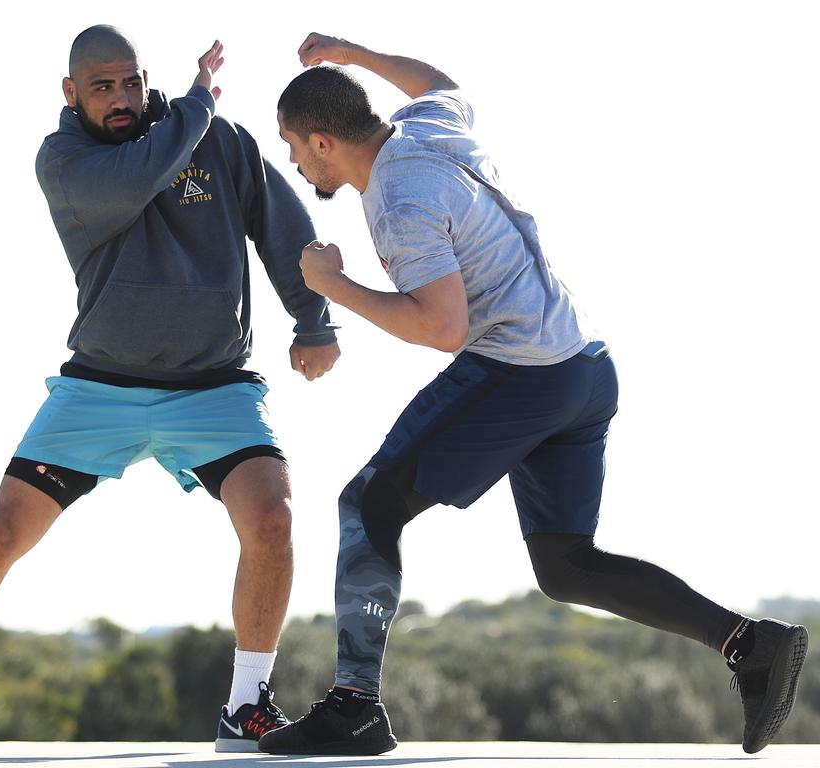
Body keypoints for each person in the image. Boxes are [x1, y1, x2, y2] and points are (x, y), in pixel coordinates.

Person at [259, 32, 808, 756]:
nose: (295, 163)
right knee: (565, 565)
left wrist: (335, 288)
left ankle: (354, 705)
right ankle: (749, 644)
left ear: (323, 141)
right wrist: (354, 55)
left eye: (293, 147)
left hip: (522, 373)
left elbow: (444, 327)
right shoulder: (428, 125)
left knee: (368, 505)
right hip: (584, 366)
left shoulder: (398, 198)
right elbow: (437, 79)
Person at [0, 25, 340, 753]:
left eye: (131, 83)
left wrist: (314, 321)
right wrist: (198, 100)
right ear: (71, 93)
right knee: (2, 532)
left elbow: (282, 226)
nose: (120, 99)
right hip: (100, 386)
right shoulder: (66, 159)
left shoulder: (220, 142)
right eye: (102, 87)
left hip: (214, 384)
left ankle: (245, 703)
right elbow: (141, 175)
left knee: (273, 518)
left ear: (145, 80)